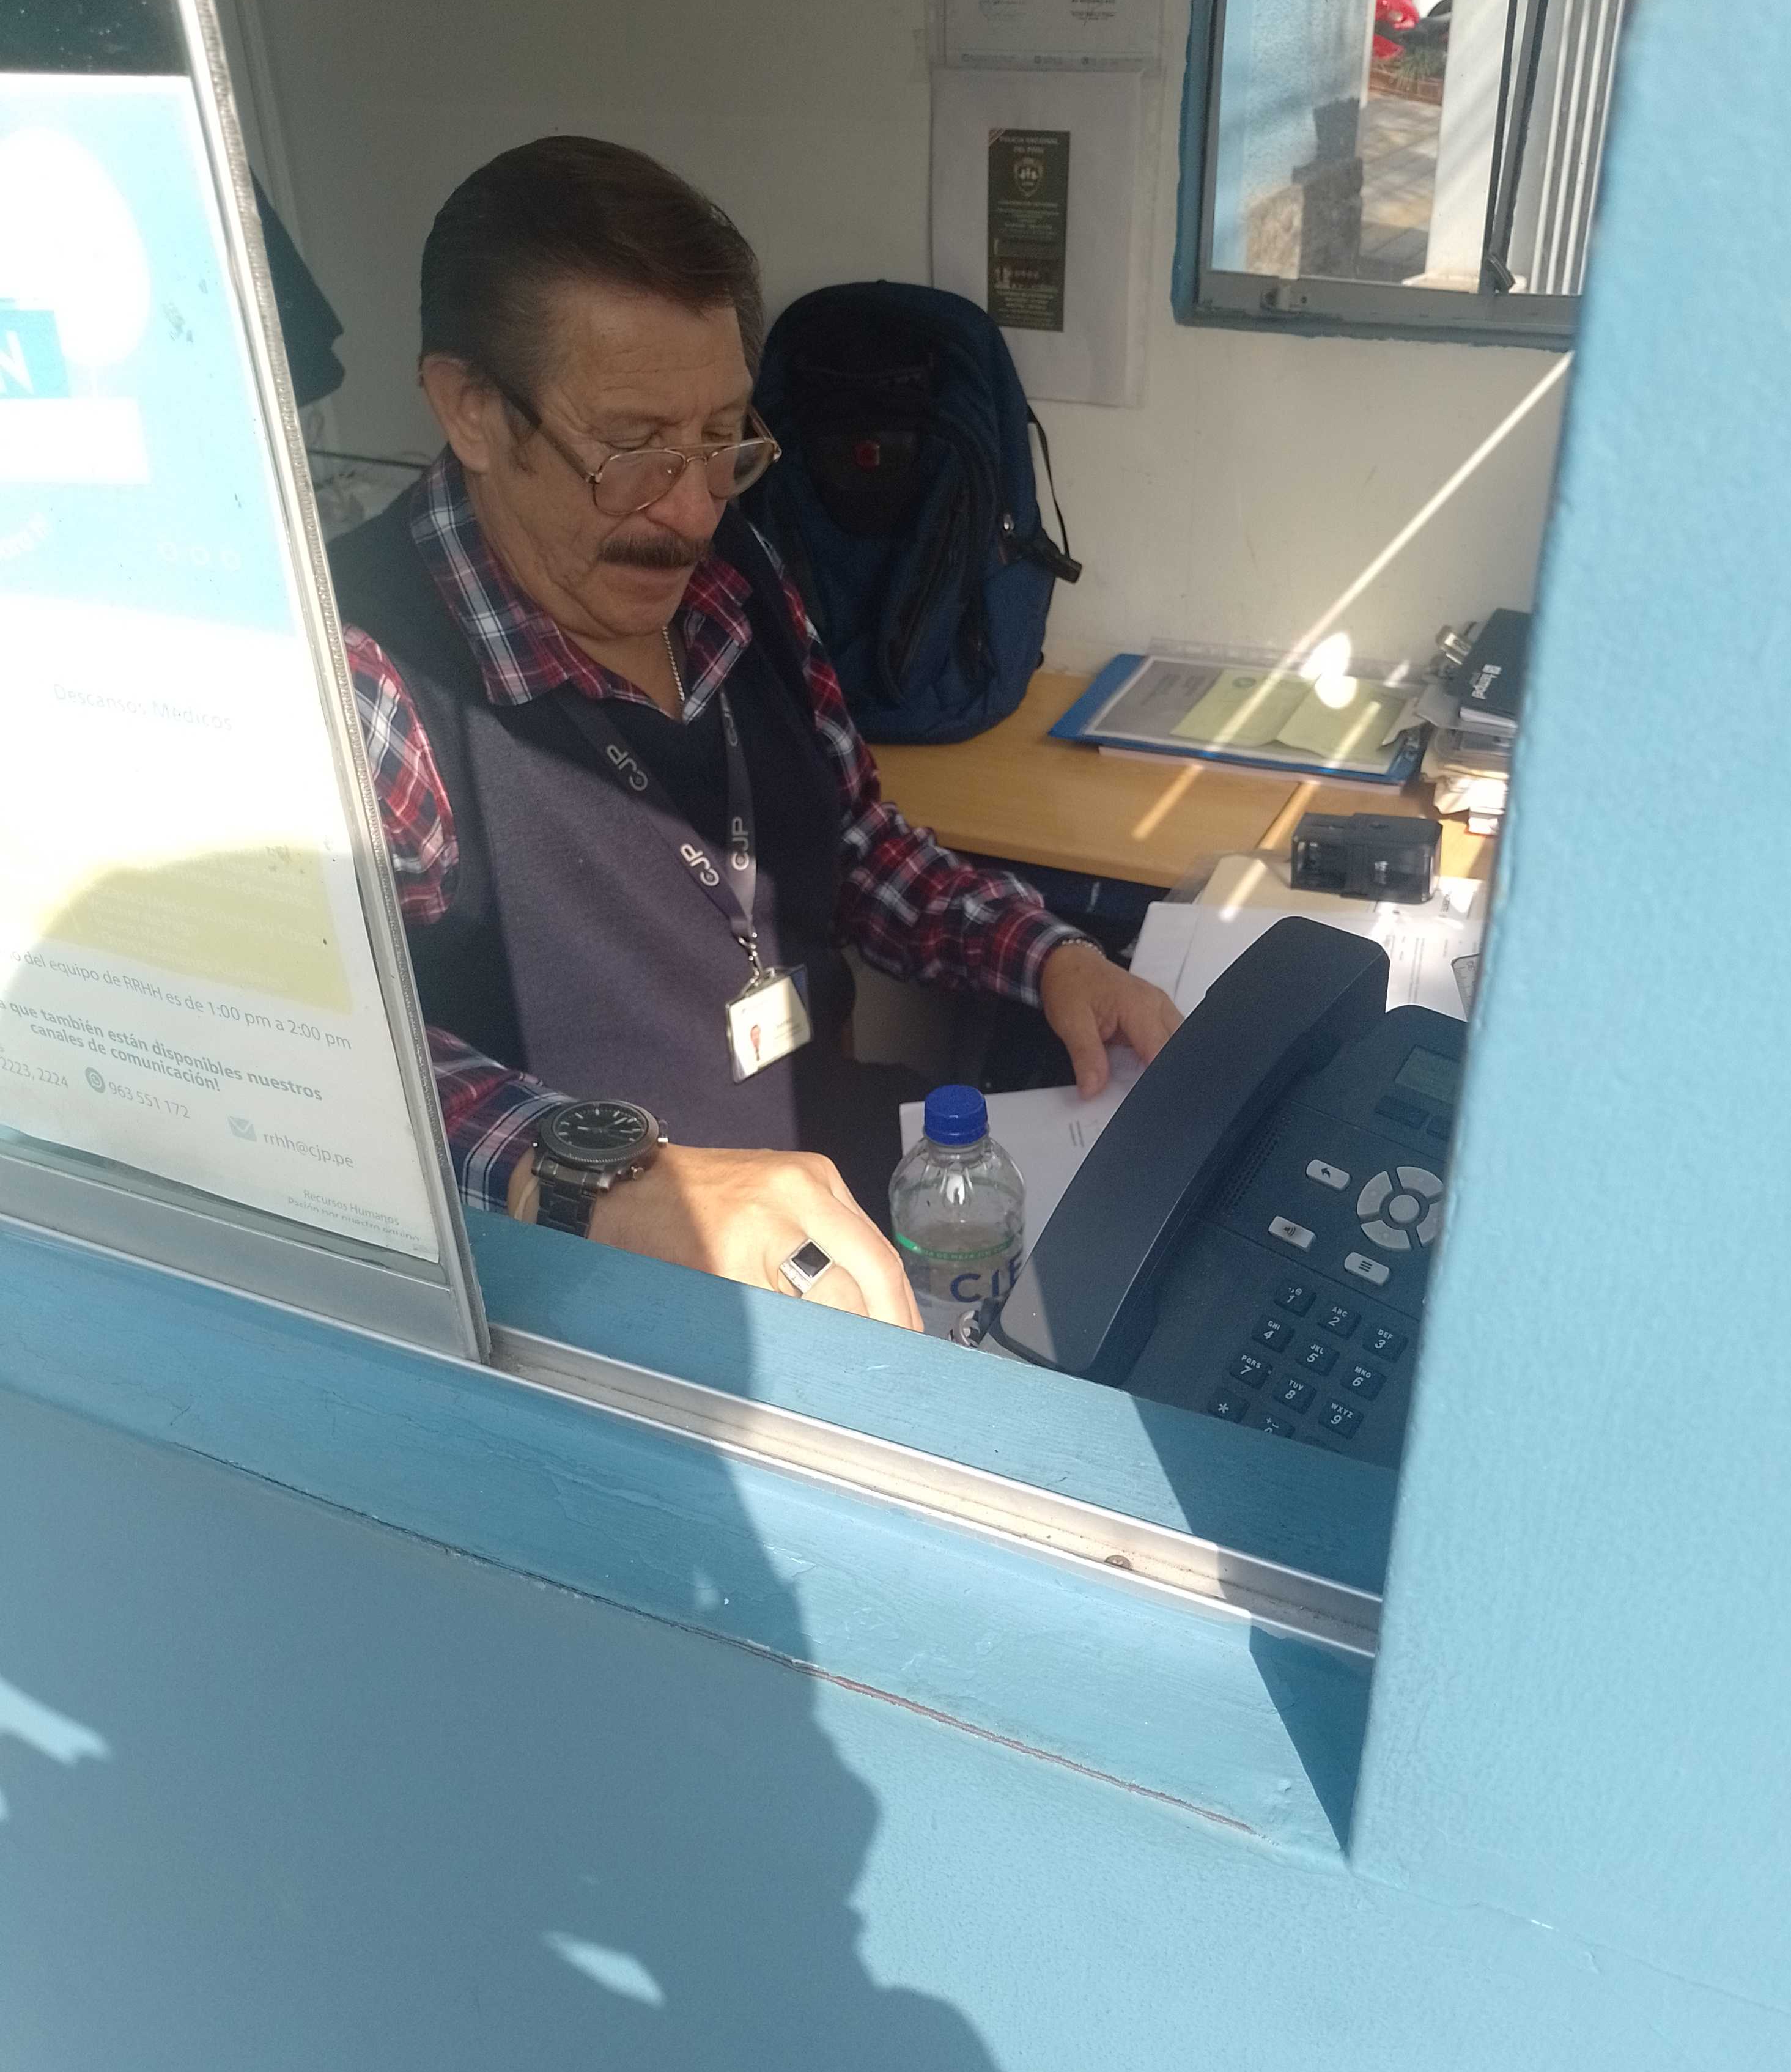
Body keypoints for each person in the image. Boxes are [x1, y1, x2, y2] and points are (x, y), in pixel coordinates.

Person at [331, 137, 1180, 1329]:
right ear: (472, 409)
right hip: (612, 1300)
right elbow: (323, 1063)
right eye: (634, 447)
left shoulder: (737, 570)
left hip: (831, 1190)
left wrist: (1051, 958)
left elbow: (860, 843)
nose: (690, 510)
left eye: (723, 438)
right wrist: (604, 1181)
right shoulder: (364, 682)